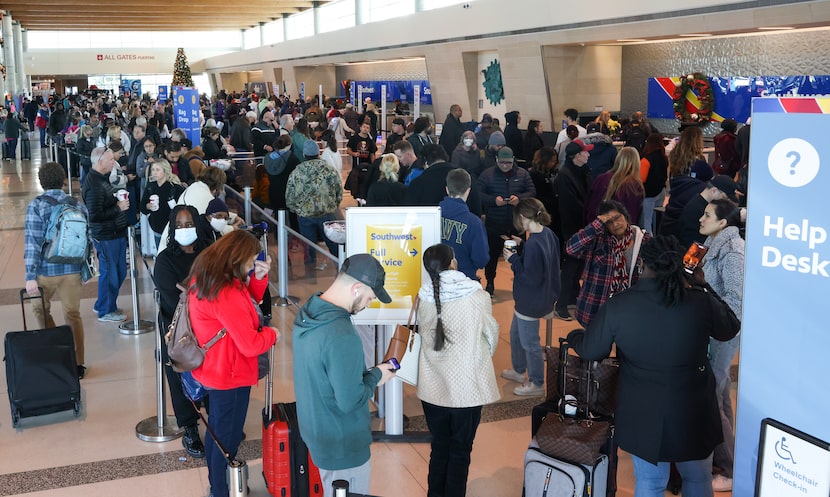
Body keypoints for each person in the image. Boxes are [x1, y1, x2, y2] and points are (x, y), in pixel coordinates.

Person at [568, 235, 740, 497]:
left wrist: (574, 338)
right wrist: (703, 286)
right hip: (693, 407)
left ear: (643, 265)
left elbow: (592, 350)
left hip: (643, 410)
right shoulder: (699, 301)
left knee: (650, 482)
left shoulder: (621, 304)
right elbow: (730, 328)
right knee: (697, 477)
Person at [292, 254, 397, 495]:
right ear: (356, 288)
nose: (368, 304)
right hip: (343, 443)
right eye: (369, 298)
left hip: (317, 430)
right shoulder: (341, 335)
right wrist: (376, 376)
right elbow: (349, 401)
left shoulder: (309, 311)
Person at [188, 230, 278, 497]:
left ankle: (221, 484)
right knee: (225, 439)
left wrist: (258, 280)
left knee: (219, 430)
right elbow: (250, 342)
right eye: (251, 261)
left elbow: (243, 304)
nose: (253, 265)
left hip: (220, 368)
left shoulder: (211, 277)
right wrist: (273, 335)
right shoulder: (224, 290)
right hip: (229, 372)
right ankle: (220, 489)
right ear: (237, 257)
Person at [417, 243, 500, 497]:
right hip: (467, 388)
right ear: (453, 262)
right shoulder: (477, 296)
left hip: (432, 388)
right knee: (461, 450)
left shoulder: (423, 296)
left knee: (439, 446)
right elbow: (491, 335)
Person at [154, 205, 212, 459]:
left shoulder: (210, 253)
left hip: (211, 326)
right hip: (178, 328)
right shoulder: (165, 259)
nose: (184, 230)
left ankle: (217, 419)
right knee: (181, 377)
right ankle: (189, 426)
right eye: (179, 225)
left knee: (212, 371)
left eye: (189, 224)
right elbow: (172, 299)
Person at [24, 162, 88, 379]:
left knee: (40, 310)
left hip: (45, 271)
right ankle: (78, 363)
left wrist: (30, 276)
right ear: (63, 180)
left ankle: (56, 352)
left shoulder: (37, 206)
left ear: (42, 182)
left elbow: (32, 243)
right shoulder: (76, 204)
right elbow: (87, 238)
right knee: (73, 314)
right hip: (72, 269)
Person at [698, 198, 745, 493]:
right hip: (714, 329)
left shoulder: (733, 253)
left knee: (713, 397)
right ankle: (727, 456)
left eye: (707, 214)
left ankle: (728, 467)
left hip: (723, 332)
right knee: (720, 392)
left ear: (723, 223)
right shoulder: (713, 244)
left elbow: (735, 303)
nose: (701, 218)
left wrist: (711, 318)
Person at [500, 198, 560, 396]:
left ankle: (537, 382)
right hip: (543, 295)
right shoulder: (547, 234)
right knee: (515, 334)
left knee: (529, 343)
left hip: (530, 300)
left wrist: (513, 259)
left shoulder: (534, 243)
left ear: (524, 217)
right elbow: (543, 264)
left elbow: (529, 277)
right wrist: (523, 245)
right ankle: (518, 369)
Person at [567, 200, 650, 326]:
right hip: (597, 309)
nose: (616, 224)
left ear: (626, 216)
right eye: (609, 222)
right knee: (597, 345)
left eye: (618, 217)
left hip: (630, 310)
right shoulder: (598, 240)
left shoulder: (643, 240)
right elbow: (571, 248)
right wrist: (597, 224)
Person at [476, 146, 536, 295]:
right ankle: (490, 282)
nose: (505, 166)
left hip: (517, 224)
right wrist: (493, 201)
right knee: (492, 256)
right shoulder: (487, 174)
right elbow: (478, 193)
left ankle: (521, 283)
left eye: (508, 163)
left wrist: (519, 199)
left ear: (513, 161)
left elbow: (532, 192)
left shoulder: (523, 174)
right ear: (496, 160)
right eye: (502, 163)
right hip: (494, 224)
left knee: (522, 255)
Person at [82, 147, 129, 322]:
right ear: (100, 162)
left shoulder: (100, 179)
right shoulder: (94, 185)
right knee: (110, 273)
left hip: (114, 232)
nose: (113, 162)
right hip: (106, 235)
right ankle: (105, 310)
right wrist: (118, 207)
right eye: (110, 160)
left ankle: (104, 303)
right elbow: (94, 215)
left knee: (118, 271)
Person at [285, 139, 342, 275]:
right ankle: (341, 272)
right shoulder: (329, 169)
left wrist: (296, 209)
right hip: (327, 213)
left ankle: (310, 275)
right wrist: (333, 205)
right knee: (333, 245)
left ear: (304, 154)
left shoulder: (297, 171)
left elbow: (290, 195)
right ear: (318, 153)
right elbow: (338, 191)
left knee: (308, 246)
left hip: (305, 215)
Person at [553, 139, 594, 321]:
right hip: (571, 229)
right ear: (576, 156)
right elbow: (570, 206)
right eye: (585, 152)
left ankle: (571, 297)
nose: (588, 154)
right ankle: (560, 305)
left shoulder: (583, 171)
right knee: (570, 267)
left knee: (578, 267)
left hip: (582, 227)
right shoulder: (565, 176)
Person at [440, 168, 489, 281]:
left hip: (436, 280)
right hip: (465, 279)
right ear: (468, 190)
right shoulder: (474, 223)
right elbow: (481, 259)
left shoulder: (433, 216)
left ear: (447, 190)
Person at [585, 146, 645, 223]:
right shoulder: (634, 185)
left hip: (596, 227)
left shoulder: (601, 179)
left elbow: (589, 205)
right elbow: (635, 215)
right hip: (621, 230)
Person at [140, 159, 185, 248]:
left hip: (172, 230)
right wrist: (148, 206)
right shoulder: (150, 187)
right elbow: (142, 208)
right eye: (153, 170)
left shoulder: (175, 188)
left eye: (158, 170)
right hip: (156, 228)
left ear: (165, 170)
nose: (154, 173)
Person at [639, 133, 669, 234]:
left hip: (649, 194)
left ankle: (648, 242)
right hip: (662, 192)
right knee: (657, 219)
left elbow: (641, 179)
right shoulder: (664, 158)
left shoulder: (646, 160)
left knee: (647, 221)